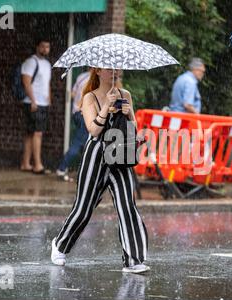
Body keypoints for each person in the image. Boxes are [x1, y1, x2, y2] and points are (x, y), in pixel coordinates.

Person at [50, 68, 149, 274]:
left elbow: (133, 127)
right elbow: (93, 130)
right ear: (98, 72)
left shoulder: (126, 94)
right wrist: (106, 107)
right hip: (96, 155)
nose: (114, 72)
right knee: (84, 208)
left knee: (126, 205)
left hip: (120, 153)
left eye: (116, 69)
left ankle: (133, 260)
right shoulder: (90, 97)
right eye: (109, 69)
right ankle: (60, 244)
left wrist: (128, 112)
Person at [20, 38, 52, 174]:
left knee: (30, 133)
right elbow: (26, 82)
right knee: (37, 133)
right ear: (37, 47)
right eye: (43, 46)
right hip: (32, 103)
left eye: (47, 47)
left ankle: (25, 163)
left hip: (43, 103)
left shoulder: (47, 64)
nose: (45, 49)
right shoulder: (31, 62)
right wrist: (33, 100)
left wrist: (49, 98)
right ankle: (38, 165)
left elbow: (47, 83)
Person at [56, 70, 91, 181]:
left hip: (76, 113)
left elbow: (72, 94)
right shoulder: (96, 81)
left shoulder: (81, 76)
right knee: (79, 143)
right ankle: (62, 168)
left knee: (85, 143)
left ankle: (85, 171)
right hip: (85, 114)